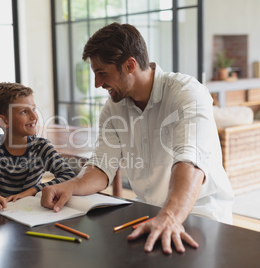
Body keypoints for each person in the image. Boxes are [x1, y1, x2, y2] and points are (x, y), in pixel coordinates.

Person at [40, 23, 234, 254]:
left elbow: (190, 163)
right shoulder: (112, 109)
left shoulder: (186, 93)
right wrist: (71, 185)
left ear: (130, 65)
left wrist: (170, 216)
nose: (97, 84)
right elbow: (102, 167)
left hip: (202, 216)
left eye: (102, 73)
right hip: (151, 215)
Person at [0, 82, 75, 213]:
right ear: (3, 121)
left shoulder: (41, 147)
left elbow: (68, 175)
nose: (34, 116)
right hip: (1, 214)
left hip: (31, 213)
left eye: (34, 109)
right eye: (24, 111)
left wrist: (32, 191)